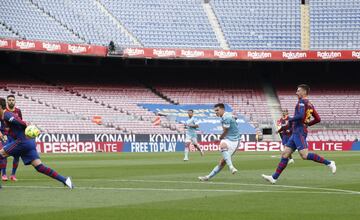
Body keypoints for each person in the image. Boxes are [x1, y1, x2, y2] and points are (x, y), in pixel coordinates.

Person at [262, 84, 336, 184]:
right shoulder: (310, 104)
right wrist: (308, 124)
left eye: (298, 91)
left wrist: (290, 119)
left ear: (304, 92)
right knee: (285, 154)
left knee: (304, 155)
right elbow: (318, 119)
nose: (296, 93)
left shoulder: (302, 102)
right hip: (297, 131)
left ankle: (329, 163)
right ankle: (274, 177)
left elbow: (301, 116)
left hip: (299, 131)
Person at [0, 98, 73, 188]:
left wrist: (27, 126)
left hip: (22, 142)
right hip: (29, 142)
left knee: (1, 154)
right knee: (39, 166)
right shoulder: (6, 115)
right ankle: (65, 180)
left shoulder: (7, 114)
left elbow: (19, 121)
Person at [198, 103, 239, 181]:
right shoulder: (225, 116)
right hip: (227, 139)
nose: (216, 112)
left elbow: (225, 131)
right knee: (222, 146)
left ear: (222, 109)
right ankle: (231, 167)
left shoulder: (226, 117)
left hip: (234, 140)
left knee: (222, 162)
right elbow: (234, 118)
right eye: (215, 111)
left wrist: (219, 138)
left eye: (217, 110)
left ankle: (209, 176)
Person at [1, 95, 22, 181]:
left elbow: (20, 122)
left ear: (15, 101)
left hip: (15, 136)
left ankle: (13, 175)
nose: (11, 101)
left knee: (17, 156)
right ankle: (4, 174)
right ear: (7, 102)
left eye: (12, 100)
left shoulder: (18, 111)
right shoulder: (3, 111)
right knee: (4, 154)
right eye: (9, 100)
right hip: (5, 136)